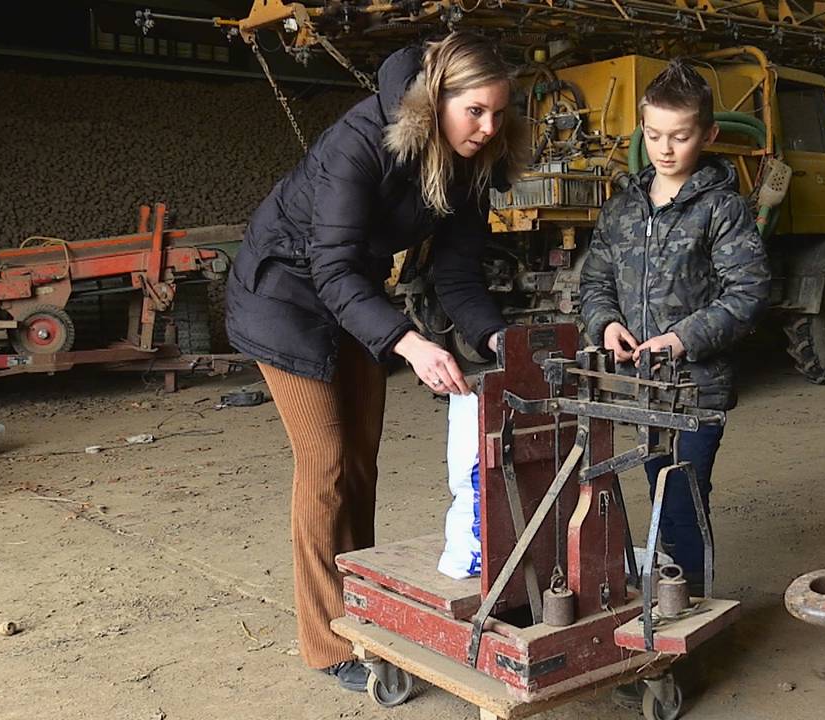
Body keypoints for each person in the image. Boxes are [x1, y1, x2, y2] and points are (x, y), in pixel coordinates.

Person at [224, 32, 527, 691]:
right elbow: (327, 265)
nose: (488, 127)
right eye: (474, 111)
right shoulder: (360, 142)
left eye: (499, 113)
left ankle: (358, 609)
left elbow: (459, 276)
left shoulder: (475, 160)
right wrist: (409, 343)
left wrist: (500, 342)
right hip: (282, 292)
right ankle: (326, 642)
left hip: (351, 292)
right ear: (436, 100)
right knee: (326, 462)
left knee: (361, 461)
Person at [580, 60, 770, 596]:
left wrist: (683, 338)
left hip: (694, 389)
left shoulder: (722, 210)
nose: (666, 148)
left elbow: (749, 293)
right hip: (635, 387)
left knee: (683, 501)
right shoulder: (621, 210)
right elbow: (594, 283)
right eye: (655, 134)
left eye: (681, 137)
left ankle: (691, 610)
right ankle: (667, 600)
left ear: (707, 135)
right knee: (655, 492)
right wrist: (606, 324)